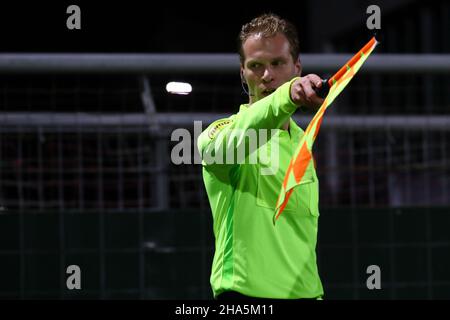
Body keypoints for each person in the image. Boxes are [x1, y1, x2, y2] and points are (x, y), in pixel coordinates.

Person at [197, 13, 325, 300]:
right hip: (244, 299)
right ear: (243, 72)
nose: (267, 75)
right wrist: (287, 97)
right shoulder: (219, 132)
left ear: (297, 67)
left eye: (277, 63)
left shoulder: (302, 143)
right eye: (256, 66)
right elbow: (227, 145)